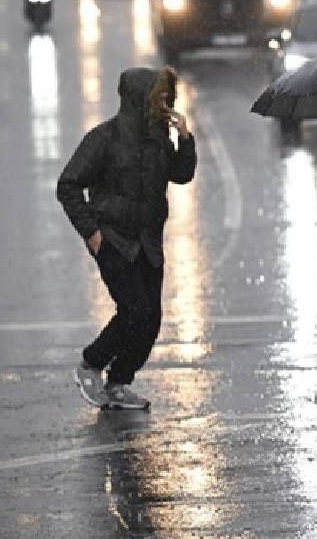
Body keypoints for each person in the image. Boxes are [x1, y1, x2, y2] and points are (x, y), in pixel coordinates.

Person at [57, 67, 196, 410]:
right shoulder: (104, 138)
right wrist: (92, 233)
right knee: (134, 310)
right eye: (158, 96)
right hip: (114, 240)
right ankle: (90, 365)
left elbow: (182, 174)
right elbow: (68, 185)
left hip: (148, 242)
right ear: (139, 99)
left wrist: (185, 139)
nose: (164, 102)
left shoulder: (159, 139)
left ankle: (119, 381)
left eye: (167, 95)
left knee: (151, 320)